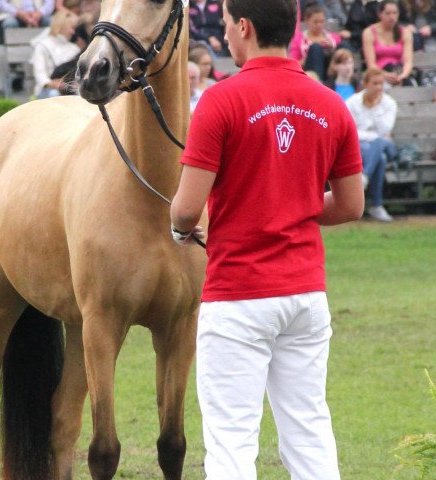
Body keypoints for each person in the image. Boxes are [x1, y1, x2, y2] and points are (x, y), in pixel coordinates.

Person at [170, 0, 365, 478]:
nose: (226, 37)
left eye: (226, 27)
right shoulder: (330, 104)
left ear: (244, 26)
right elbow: (351, 205)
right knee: (309, 430)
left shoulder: (220, 100)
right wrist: (290, 203)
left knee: (232, 441)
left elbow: (187, 208)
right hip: (305, 293)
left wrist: (180, 229)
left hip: (238, 294)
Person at [346, 67, 397, 222]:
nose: (379, 87)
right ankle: (376, 206)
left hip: (386, 147)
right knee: (379, 158)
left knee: (381, 144)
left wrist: (375, 108)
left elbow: (385, 130)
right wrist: (373, 137)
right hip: (360, 147)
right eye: (375, 83)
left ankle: (365, 176)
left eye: (381, 83)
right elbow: (350, 132)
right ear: (365, 84)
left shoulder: (389, 103)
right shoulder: (353, 102)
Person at [362, 0, 415, 86]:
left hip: (399, 71)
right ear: (380, 14)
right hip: (378, 73)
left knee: (409, 83)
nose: (392, 17)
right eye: (388, 13)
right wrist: (385, 75)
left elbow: (408, 62)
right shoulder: (369, 32)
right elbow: (371, 64)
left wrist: (402, 76)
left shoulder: (405, 33)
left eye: (395, 13)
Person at [30, 11, 81, 99]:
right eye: (71, 28)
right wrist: (54, 84)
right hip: (47, 91)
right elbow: (40, 74)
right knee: (54, 95)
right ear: (62, 26)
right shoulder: (43, 46)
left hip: (69, 91)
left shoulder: (75, 48)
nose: (73, 32)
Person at [289, 3, 343, 80]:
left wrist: (332, 46)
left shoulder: (333, 37)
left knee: (342, 46)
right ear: (307, 21)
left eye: (322, 21)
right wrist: (308, 56)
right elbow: (294, 65)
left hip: (330, 71)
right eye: (316, 22)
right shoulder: (298, 39)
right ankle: (318, 83)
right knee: (315, 48)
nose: (319, 25)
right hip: (309, 73)